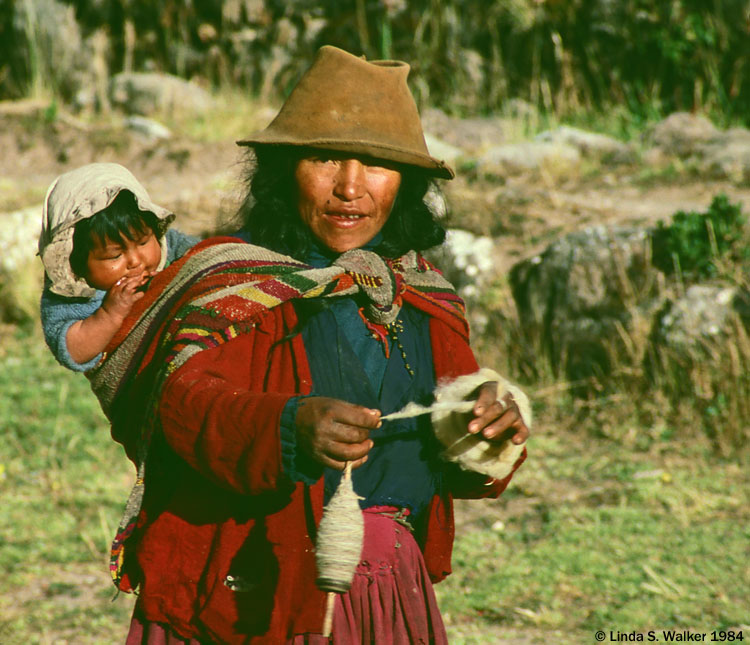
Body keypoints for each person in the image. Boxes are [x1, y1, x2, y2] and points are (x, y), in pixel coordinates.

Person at [89, 46, 530, 644]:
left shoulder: (419, 291)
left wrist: (488, 428)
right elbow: (179, 407)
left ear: (406, 182)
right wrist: (286, 427)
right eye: (325, 157)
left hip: (388, 593)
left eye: (376, 164)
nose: (350, 187)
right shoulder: (235, 281)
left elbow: (463, 451)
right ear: (283, 170)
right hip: (259, 592)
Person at [38, 162, 198, 372]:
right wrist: (109, 313)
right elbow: (73, 352)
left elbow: (207, 258)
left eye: (142, 243)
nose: (135, 260)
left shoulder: (172, 246)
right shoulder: (70, 293)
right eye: (115, 255)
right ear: (75, 263)